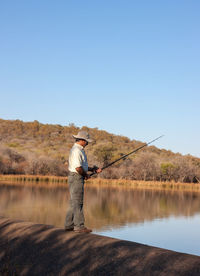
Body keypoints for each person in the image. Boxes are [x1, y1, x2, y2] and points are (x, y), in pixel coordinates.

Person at [64, 130, 102, 233]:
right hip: (76, 177)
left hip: (76, 176)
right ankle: (79, 226)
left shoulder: (79, 150)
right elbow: (78, 168)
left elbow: (82, 166)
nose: (87, 143)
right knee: (78, 202)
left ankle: (69, 225)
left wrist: (92, 169)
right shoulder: (76, 150)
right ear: (81, 140)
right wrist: (86, 175)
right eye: (86, 141)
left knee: (73, 202)